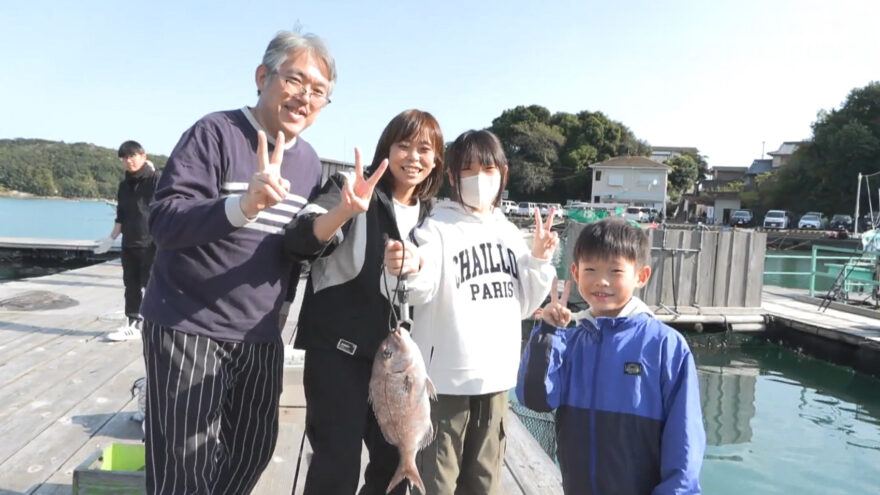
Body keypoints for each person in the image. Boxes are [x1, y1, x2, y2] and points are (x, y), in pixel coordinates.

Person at [138, 30, 335, 495]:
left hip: (261, 335)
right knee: (184, 464)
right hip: (188, 325)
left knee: (254, 447)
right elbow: (164, 221)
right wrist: (242, 205)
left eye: (319, 91)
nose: (305, 97)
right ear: (262, 76)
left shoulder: (308, 162)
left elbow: (294, 248)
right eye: (295, 80)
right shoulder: (215, 133)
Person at [383, 129, 558, 494]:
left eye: (489, 169)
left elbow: (524, 304)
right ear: (451, 177)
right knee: (436, 483)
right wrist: (410, 267)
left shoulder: (510, 232)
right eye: (468, 170)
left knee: (484, 482)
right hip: (442, 385)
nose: (480, 178)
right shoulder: (434, 230)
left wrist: (540, 260)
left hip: (496, 382)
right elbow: (421, 286)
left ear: (503, 174)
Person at [282, 109, 444, 494]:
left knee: (392, 467)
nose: (414, 157)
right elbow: (297, 241)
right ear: (386, 148)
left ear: (437, 160)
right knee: (334, 466)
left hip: (399, 366)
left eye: (425, 149)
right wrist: (344, 210)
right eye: (403, 146)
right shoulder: (350, 185)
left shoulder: (434, 216)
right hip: (339, 358)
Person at [516, 218, 706, 494]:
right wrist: (547, 332)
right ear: (576, 273)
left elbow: (685, 442)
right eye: (590, 269)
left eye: (615, 271)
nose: (601, 281)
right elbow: (535, 399)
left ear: (641, 276)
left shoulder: (666, 346)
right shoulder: (570, 340)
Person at [98, 140, 159, 341]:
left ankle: (154, 324)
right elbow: (121, 216)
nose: (129, 161)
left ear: (143, 156)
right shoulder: (124, 186)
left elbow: (173, 182)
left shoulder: (156, 179)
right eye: (125, 157)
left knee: (151, 284)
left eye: (133, 156)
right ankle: (133, 323)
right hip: (129, 243)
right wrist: (110, 238)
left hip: (152, 243)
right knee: (130, 285)